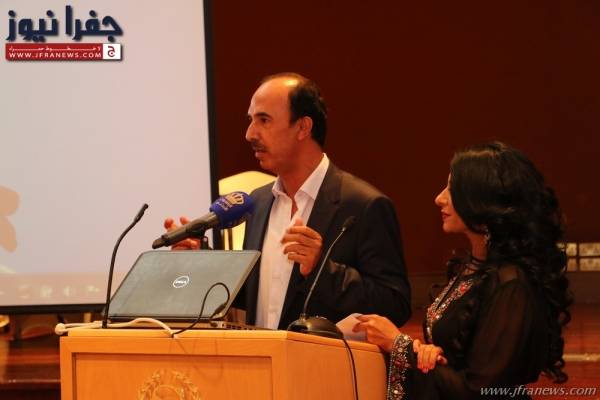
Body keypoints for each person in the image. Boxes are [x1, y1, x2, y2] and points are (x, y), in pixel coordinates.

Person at [166, 72, 411, 330]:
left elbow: (395, 305)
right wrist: (200, 263)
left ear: (303, 127)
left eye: (264, 120)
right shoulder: (259, 201)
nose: (249, 134)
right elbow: (256, 295)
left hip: (323, 356)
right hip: (262, 353)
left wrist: (322, 269)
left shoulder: (363, 206)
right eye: (251, 120)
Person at [353, 142, 571, 399]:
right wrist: (426, 353)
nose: (439, 198)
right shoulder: (474, 266)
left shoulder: (511, 284)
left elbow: (479, 390)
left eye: (452, 189)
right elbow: (459, 356)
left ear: (481, 201)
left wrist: (400, 346)